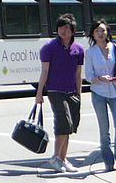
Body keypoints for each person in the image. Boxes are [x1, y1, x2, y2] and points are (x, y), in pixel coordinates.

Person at [36, 13, 85, 173]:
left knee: (69, 126)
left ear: (73, 30)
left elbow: (78, 73)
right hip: (55, 90)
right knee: (63, 123)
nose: (63, 31)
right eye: (60, 28)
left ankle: (63, 159)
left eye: (66, 28)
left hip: (72, 92)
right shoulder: (49, 47)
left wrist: (79, 93)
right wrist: (39, 93)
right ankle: (56, 158)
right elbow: (44, 70)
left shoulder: (78, 49)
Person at [84, 19, 116, 172]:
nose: (100, 33)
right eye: (97, 31)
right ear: (93, 35)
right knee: (104, 129)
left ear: (107, 32)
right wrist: (100, 79)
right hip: (99, 93)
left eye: (103, 30)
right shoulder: (90, 52)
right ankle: (108, 161)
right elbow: (88, 76)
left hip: (115, 91)